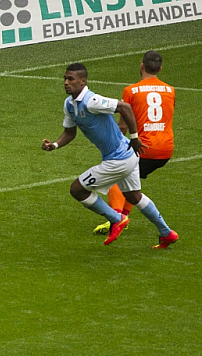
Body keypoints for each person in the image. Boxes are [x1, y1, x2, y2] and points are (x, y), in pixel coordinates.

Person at [41, 63, 178, 248]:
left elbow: (125, 107)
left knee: (77, 189)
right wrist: (55, 145)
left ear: (83, 81)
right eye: (65, 79)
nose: (66, 82)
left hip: (119, 159)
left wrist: (135, 137)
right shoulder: (69, 104)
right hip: (126, 156)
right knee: (133, 195)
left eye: (71, 79)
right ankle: (167, 233)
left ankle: (116, 218)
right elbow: (70, 133)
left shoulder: (92, 101)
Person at [93, 51, 176, 235]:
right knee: (132, 181)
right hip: (166, 149)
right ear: (160, 69)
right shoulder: (170, 90)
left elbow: (123, 124)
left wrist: (112, 147)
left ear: (141, 65)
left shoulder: (131, 91)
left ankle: (116, 219)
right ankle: (124, 216)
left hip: (144, 147)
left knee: (115, 174)